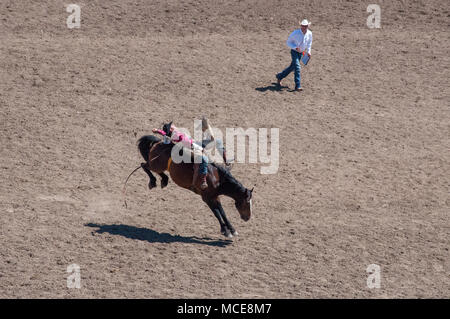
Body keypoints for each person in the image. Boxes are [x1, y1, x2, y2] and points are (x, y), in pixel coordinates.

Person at [153, 121, 210, 190]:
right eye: (171, 126)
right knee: (203, 159)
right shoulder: (175, 134)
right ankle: (202, 180)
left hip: (192, 145)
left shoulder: (175, 133)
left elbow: (165, 134)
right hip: (190, 148)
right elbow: (167, 134)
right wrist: (159, 131)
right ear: (171, 129)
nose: (173, 125)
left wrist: (158, 131)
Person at [276, 19, 312, 91]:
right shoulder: (295, 33)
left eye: (305, 26)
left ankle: (279, 76)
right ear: (301, 26)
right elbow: (288, 42)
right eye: (303, 26)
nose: (304, 27)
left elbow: (309, 43)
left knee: (292, 67)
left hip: (301, 53)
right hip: (294, 52)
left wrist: (309, 51)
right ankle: (297, 85)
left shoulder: (309, 33)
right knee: (297, 68)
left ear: (308, 26)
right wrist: (295, 47)